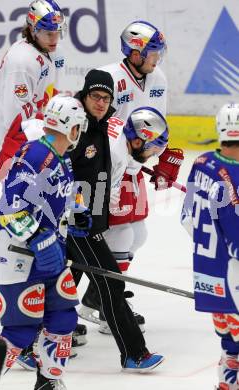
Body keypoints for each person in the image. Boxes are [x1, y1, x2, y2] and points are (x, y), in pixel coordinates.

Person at [0, 95, 89, 390]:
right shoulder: (33, 154)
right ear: (71, 127)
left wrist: (77, 211)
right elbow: (9, 209)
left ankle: (48, 381)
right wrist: (38, 239)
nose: (79, 134)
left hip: (49, 255)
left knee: (63, 318)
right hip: (16, 254)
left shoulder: (62, 158)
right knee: (20, 331)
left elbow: (62, 192)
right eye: (78, 127)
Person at [79, 20, 184, 330]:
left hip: (132, 164)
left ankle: (97, 297)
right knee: (120, 234)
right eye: (152, 52)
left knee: (138, 235)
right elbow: (91, 119)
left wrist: (160, 153)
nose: (157, 58)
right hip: (108, 165)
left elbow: (157, 121)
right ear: (135, 52)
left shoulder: (158, 78)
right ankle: (108, 302)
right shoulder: (110, 77)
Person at [0, 0, 67, 301]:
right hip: (11, 141)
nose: (54, 37)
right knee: (16, 206)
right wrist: (36, 146)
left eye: (57, 31)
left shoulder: (49, 53)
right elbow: (16, 115)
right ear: (32, 29)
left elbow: (48, 97)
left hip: (27, 135)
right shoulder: (21, 61)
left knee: (25, 204)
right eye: (47, 31)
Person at [67, 68, 164, 371]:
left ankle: (42, 339)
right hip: (72, 222)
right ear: (84, 95)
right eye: (95, 96)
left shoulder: (111, 127)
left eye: (106, 98)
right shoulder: (74, 126)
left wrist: (157, 165)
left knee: (63, 281)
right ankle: (135, 353)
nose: (100, 102)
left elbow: (119, 171)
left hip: (89, 221)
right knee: (109, 285)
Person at [181, 102, 239, 390]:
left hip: (207, 272)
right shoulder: (235, 175)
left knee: (230, 342)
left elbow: (186, 217)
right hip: (233, 276)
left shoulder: (201, 162)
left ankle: (226, 385)